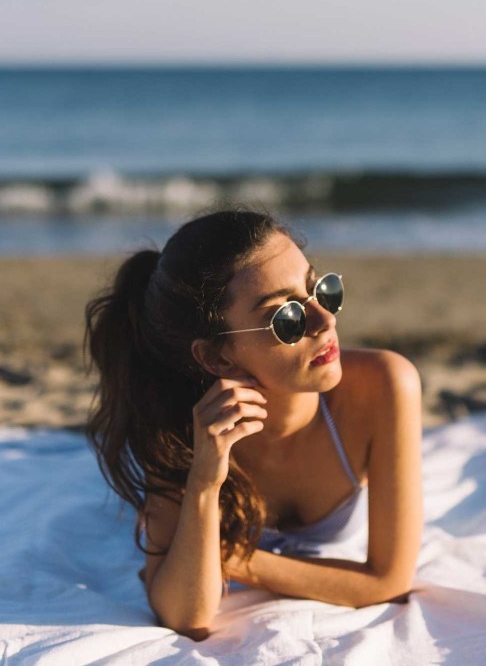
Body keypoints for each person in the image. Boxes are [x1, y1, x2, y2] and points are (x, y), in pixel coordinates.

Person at [84, 208, 423, 640]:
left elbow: (388, 581)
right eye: (287, 318)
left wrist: (234, 559)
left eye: (319, 289)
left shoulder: (384, 385)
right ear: (218, 357)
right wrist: (205, 480)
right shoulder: (179, 426)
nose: (326, 320)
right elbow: (186, 616)